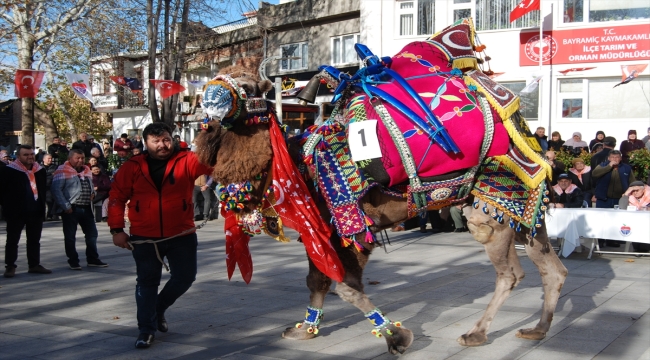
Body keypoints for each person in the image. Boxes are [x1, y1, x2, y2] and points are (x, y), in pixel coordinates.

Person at [108, 122, 212, 349]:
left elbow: (216, 166)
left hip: (181, 233)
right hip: (144, 237)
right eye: (156, 141)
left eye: (166, 139)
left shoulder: (188, 160)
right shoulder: (133, 166)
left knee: (185, 278)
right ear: (146, 143)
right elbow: (116, 196)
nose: (163, 145)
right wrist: (117, 230)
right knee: (146, 282)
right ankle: (146, 329)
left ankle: (158, 308)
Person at [52, 149, 109, 270]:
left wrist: (92, 192)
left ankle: (93, 258)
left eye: (82, 158)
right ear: (70, 158)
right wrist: (65, 206)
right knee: (70, 236)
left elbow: (90, 185)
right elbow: (56, 190)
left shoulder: (86, 170)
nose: (80, 160)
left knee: (92, 234)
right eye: (77, 158)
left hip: (86, 207)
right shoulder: (62, 170)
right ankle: (73, 261)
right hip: (72, 208)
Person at [1, 145, 52, 278]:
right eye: (26, 155)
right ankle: (10, 266)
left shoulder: (39, 170)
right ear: (18, 157)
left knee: (34, 240)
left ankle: (34, 265)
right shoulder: (9, 171)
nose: (30, 157)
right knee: (13, 240)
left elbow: (42, 189)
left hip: (35, 210)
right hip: (16, 212)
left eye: (31, 154)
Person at [592, 150, 636, 247]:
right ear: (609, 158)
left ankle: (612, 240)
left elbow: (632, 182)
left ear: (620, 158)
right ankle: (600, 241)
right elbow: (595, 174)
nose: (615, 159)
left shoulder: (626, 168)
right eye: (613, 157)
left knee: (616, 221)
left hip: (619, 199)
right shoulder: (602, 165)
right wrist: (609, 167)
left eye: (617, 157)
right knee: (601, 220)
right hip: (603, 198)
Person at [619, 181, 650, 252]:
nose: (635, 193)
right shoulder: (629, 196)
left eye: (637, 190)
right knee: (634, 226)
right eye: (633, 191)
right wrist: (627, 193)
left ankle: (643, 248)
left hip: (647, 220)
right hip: (634, 221)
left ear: (643, 190)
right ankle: (637, 248)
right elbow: (622, 207)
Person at [41, 154, 58, 220]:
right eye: (49, 158)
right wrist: (50, 174)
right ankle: (42, 216)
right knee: (42, 202)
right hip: (42, 186)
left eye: (51, 158)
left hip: (51, 186)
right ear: (44, 159)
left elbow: (56, 175)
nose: (50, 160)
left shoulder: (55, 167)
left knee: (50, 201)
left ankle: (49, 215)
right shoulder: (40, 167)